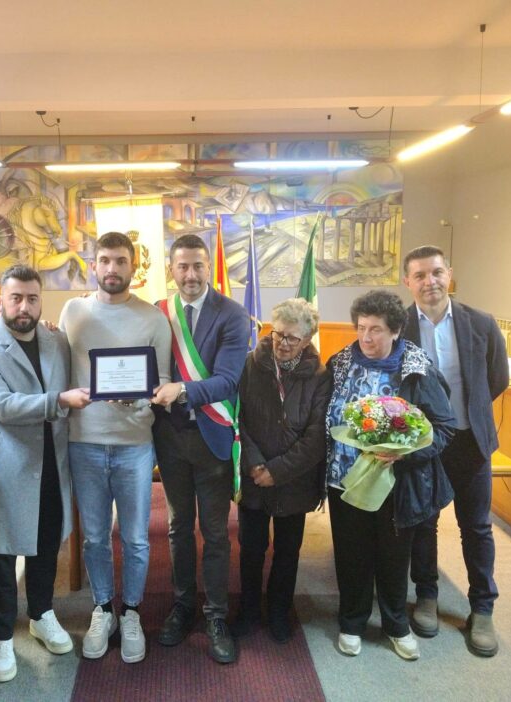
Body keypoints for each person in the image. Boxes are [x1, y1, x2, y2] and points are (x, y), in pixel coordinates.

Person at [0, 265, 91, 682]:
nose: (24, 307)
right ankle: (2, 637)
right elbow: (2, 405)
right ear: (0, 300)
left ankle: (41, 614)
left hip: (52, 463)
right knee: (2, 555)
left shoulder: (56, 340)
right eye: (15, 298)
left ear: (41, 302)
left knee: (46, 545)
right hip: (7, 468)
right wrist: (60, 401)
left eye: (32, 298)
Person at [58, 231, 171, 664]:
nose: (111, 268)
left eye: (120, 261)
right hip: (85, 442)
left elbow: (161, 381)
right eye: (104, 260)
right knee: (95, 537)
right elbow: (56, 364)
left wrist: (138, 397)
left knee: (137, 538)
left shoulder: (153, 318)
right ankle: (103, 608)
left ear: (133, 267)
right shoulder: (73, 311)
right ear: (94, 265)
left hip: (134, 445)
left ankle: (132, 612)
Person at [324, 290, 455, 660]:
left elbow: (444, 427)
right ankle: (351, 622)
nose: (366, 337)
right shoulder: (340, 362)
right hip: (345, 481)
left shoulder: (417, 368)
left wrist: (405, 453)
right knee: (351, 555)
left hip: (397, 484)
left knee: (394, 558)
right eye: (361, 328)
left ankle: (396, 624)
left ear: (395, 330)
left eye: (376, 329)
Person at [401, 245, 509, 656]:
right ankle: (426, 596)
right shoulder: (399, 326)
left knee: (476, 526)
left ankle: (482, 608)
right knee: (423, 524)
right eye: (420, 275)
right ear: (408, 282)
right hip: (423, 444)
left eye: (436, 272)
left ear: (449, 274)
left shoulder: (480, 323)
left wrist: (469, 413)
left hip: (469, 441)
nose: (429, 281)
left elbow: (496, 379)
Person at [151, 233, 250, 664]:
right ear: (171, 269)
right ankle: (182, 606)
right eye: (182, 266)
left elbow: (228, 380)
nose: (190, 274)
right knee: (177, 527)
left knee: (215, 532)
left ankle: (215, 615)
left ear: (208, 267)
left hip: (212, 436)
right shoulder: (158, 312)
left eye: (198, 265)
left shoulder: (232, 314)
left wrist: (183, 390)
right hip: (170, 439)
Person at [232, 298, 330, 643]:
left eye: (292, 338)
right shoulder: (249, 364)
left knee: (288, 551)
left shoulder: (320, 376)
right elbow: (237, 418)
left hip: (295, 479)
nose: (283, 343)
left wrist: (278, 470)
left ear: (308, 339)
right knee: (251, 548)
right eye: (278, 334)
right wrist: (255, 463)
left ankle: (278, 610)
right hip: (253, 474)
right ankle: (248, 609)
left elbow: (317, 436)